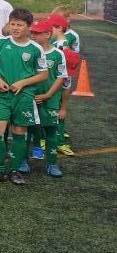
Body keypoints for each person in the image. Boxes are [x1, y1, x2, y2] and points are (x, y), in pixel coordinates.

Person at [0, 8, 48, 185]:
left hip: (24, 97)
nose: (15, 28)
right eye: (12, 24)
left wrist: (23, 83)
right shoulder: (1, 43)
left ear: (29, 27)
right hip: (2, 95)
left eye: (19, 24)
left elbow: (43, 74)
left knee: (19, 132)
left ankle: (15, 171)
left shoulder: (36, 49)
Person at [29, 18, 67, 178]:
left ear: (48, 34)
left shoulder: (58, 54)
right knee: (27, 130)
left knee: (51, 132)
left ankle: (52, 163)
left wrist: (48, 95)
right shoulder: (29, 51)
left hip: (50, 99)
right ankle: (23, 161)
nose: (33, 35)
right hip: (30, 98)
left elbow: (61, 77)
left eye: (37, 33)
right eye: (32, 32)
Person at [48, 12, 78, 156]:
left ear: (59, 28)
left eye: (50, 28)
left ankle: (57, 142)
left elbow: (66, 83)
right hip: (49, 88)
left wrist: (64, 108)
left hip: (54, 90)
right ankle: (48, 140)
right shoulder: (57, 45)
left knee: (57, 114)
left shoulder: (61, 48)